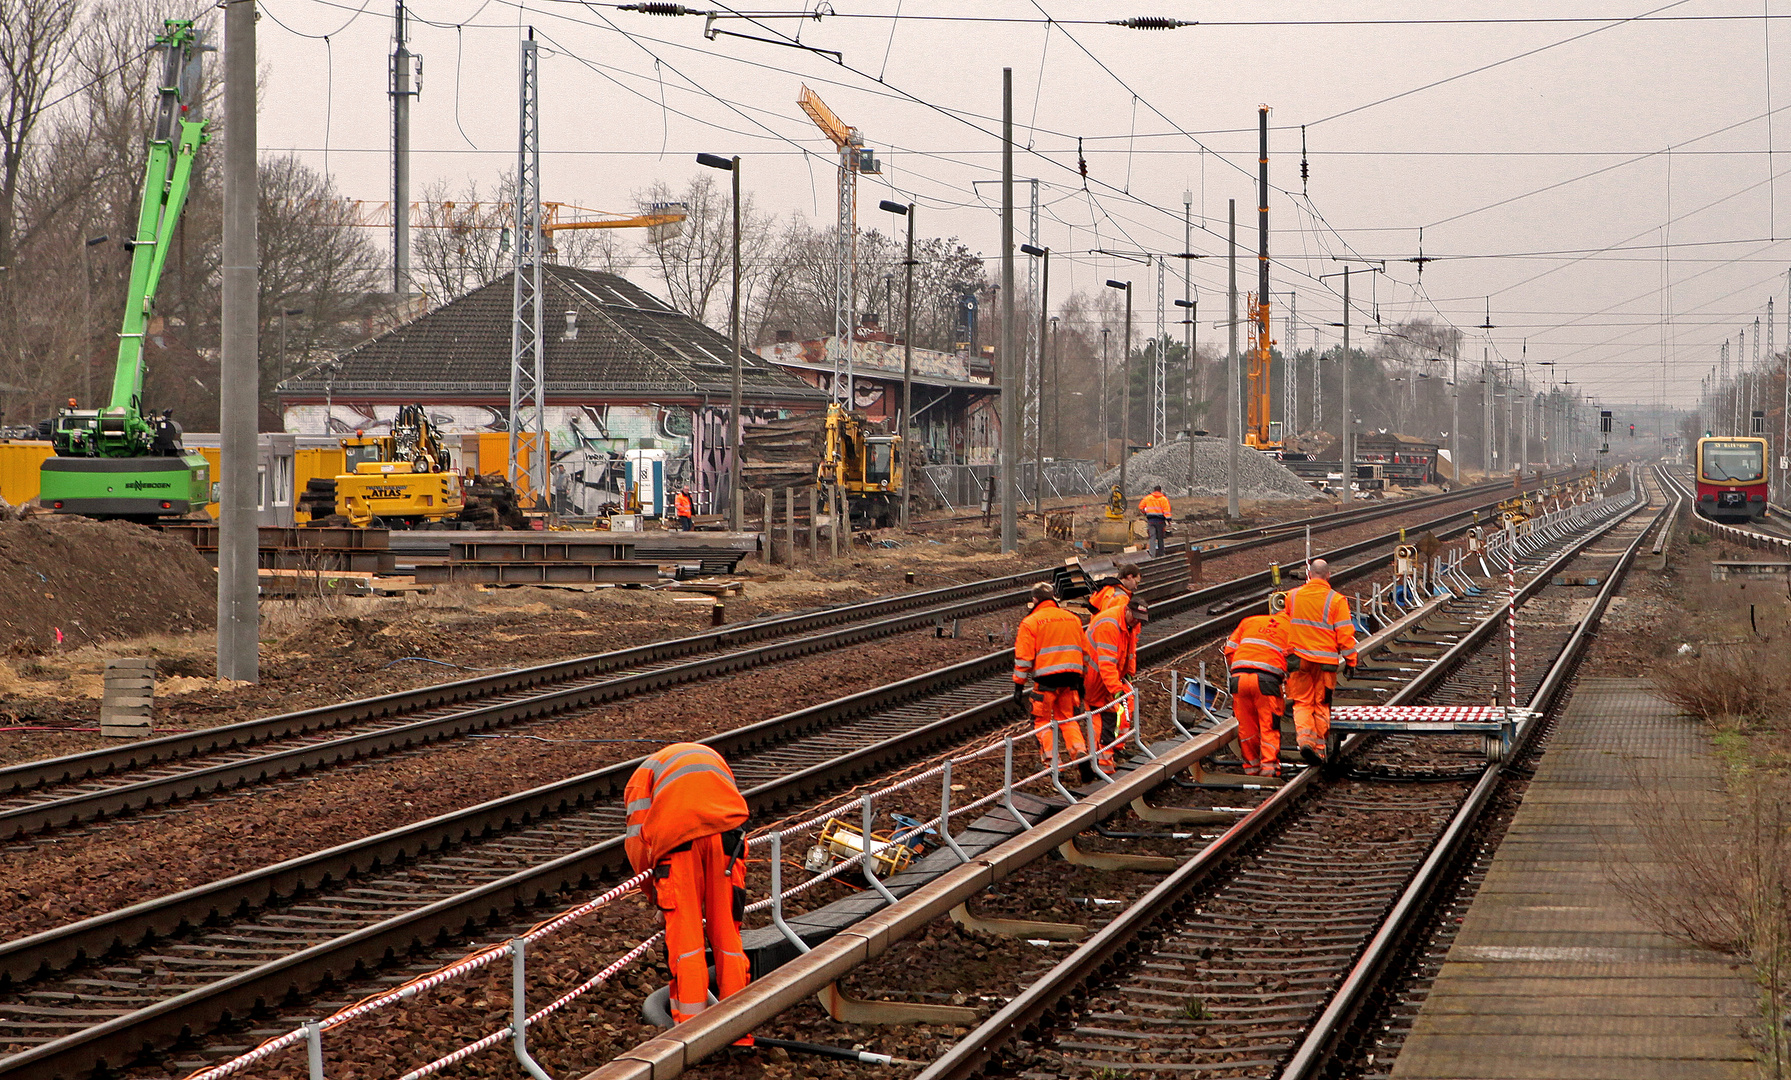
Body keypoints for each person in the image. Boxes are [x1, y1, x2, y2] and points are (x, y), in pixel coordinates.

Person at [623, 742, 753, 1039]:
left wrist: (655, 896)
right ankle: (739, 1029)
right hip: (728, 840)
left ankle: (692, 1034)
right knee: (727, 936)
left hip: (679, 846)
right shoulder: (708, 756)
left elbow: (638, 847)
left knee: (688, 941)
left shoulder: (639, 781)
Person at [1013, 582, 1096, 771]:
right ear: (1054, 597)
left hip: (1046, 683)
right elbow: (1085, 653)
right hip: (1071, 681)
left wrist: (1018, 687)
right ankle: (1079, 751)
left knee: (1041, 722)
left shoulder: (1030, 622)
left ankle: (1052, 763)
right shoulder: (1072, 618)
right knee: (1068, 719)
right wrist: (1081, 681)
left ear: (1034, 600)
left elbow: (1024, 659)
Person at [1284, 559, 1359, 765]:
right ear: (1328, 576)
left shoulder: (1293, 596)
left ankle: (1305, 743)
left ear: (1309, 575)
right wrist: (1351, 660)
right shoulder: (1336, 600)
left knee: (1301, 703)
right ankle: (1319, 748)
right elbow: (1345, 633)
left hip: (1298, 660)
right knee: (1321, 704)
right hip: (1325, 663)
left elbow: (1286, 624)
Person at [1223, 604, 1291, 776]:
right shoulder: (1293, 628)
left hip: (1239, 678)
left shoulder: (1250, 621)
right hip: (1267, 681)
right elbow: (1297, 660)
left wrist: (1241, 667)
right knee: (1269, 724)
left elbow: (1229, 650)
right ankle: (1269, 767)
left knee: (1247, 726)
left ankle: (1251, 767)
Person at [1086, 595, 1148, 770]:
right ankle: (1098, 761)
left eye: (1140, 619)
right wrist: (1116, 689)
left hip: (1109, 676)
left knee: (1114, 713)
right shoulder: (1109, 625)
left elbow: (1131, 650)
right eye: (1135, 617)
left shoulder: (1132, 623)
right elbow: (1106, 663)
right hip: (1093, 677)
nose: (1137, 622)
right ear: (1127, 610)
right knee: (1100, 715)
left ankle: (1109, 755)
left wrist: (1129, 673)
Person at [1139, 485, 1172, 557]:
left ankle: (1152, 554)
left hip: (1151, 521)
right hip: (1160, 522)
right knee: (1160, 538)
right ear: (1160, 490)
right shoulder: (1164, 499)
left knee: (1152, 538)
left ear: (1154, 490)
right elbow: (1167, 511)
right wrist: (1169, 520)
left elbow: (1141, 507)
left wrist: (1145, 512)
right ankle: (1161, 554)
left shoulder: (1148, 498)